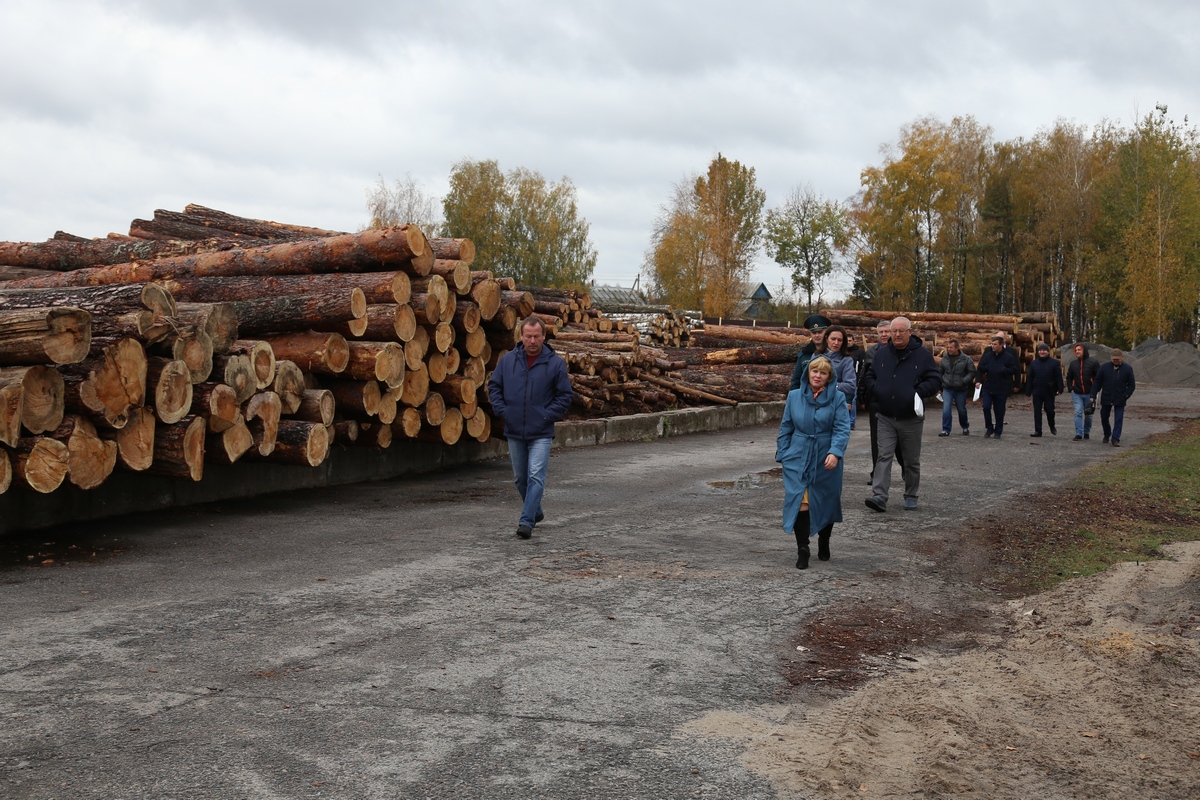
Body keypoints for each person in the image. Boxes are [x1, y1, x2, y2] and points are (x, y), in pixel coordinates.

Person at [487, 316, 575, 538]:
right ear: (521, 336)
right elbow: (494, 387)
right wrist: (503, 412)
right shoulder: (508, 361)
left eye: (537, 336)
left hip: (541, 431)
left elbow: (564, 396)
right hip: (515, 429)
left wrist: (547, 415)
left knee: (536, 476)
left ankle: (526, 522)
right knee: (520, 478)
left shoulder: (555, 364)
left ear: (544, 336)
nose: (532, 340)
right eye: (528, 336)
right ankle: (535, 510)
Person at [776, 356, 850, 569]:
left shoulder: (837, 397)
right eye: (814, 371)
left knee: (826, 499)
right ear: (808, 373)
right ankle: (802, 548)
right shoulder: (794, 396)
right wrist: (783, 453)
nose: (817, 376)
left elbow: (842, 428)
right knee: (800, 500)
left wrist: (835, 452)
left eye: (823, 373)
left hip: (826, 456)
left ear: (829, 377)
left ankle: (824, 540)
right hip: (797, 455)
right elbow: (786, 427)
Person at [863, 317, 941, 512]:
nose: (897, 334)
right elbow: (870, 375)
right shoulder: (881, 355)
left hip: (911, 418)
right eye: (894, 331)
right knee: (884, 456)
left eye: (901, 331)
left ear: (910, 332)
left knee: (911, 460)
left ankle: (911, 495)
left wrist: (918, 392)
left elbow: (935, 379)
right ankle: (879, 496)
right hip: (886, 415)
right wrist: (877, 389)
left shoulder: (922, 355)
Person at [863, 321, 903, 482]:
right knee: (876, 440)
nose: (884, 335)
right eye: (881, 332)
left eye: (887, 331)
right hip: (877, 402)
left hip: (899, 402)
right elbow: (866, 377)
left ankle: (906, 469)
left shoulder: (902, 351)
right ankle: (877, 473)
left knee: (900, 439)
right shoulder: (871, 353)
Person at [975, 334, 1019, 439]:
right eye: (992, 344)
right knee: (986, 407)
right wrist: (979, 379)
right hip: (989, 386)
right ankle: (989, 428)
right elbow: (981, 367)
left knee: (999, 410)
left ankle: (998, 430)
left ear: (1001, 345)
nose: (993, 346)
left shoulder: (1008, 357)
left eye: (995, 344)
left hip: (1002, 387)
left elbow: (1014, 369)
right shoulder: (988, 355)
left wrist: (1004, 370)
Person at [1090, 349, 1136, 447]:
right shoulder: (1104, 368)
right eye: (1114, 359)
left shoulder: (1127, 369)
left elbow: (1132, 385)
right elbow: (1097, 382)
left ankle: (1115, 439)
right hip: (1106, 397)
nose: (1115, 361)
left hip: (1120, 398)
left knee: (1118, 419)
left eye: (1117, 359)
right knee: (1104, 417)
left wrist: (1126, 395)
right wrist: (1093, 395)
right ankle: (1107, 433)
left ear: (1122, 358)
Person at [1025, 342, 1064, 437]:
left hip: (1049, 390)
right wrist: (1028, 391)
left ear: (1048, 352)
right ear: (1038, 352)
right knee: (1037, 411)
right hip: (1037, 390)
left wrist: (1060, 388)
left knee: (1049, 410)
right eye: (1040, 350)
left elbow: (1058, 376)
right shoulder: (1034, 363)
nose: (1042, 352)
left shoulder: (1054, 363)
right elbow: (1030, 378)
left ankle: (1052, 425)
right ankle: (1038, 431)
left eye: (1044, 350)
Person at [938, 338, 975, 436]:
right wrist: (939, 386)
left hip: (960, 389)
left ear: (957, 348)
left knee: (961, 409)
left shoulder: (966, 359)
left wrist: (963, 381)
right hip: (947, 388)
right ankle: (945, 429)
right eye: (948, 347)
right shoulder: (944, 359)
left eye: (951, 347)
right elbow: (940, 372)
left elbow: (971, 372)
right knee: (946, 409)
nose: (949, 349)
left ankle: (965, 426)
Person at [1065, 343, 1100, 440]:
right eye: (1075, 350)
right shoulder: (1073, 364)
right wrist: (1070, 388)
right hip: (1077, 393)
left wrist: (1096, 390)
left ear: (1084, 350)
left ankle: (1087, 432)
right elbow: (1069, 377)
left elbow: (1099, 378)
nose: (1077, 352)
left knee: (1089, 415)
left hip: (1090, 393)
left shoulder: (1093, 363)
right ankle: (1079, 433)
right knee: (1078, 412)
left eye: (1079, 350)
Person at [823, 325, 857, 422]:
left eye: (840, 340)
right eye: (833, 339)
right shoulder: (816, 356)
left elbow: (850, 386)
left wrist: (829, 385)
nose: (836, 343)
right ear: (826, 339)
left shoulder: (846, 360)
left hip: (836, 405)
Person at [789, 314, 832, 390]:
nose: (817, 335)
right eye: (814, 333)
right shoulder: (804, 354)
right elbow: (796, 380)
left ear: (825, 332)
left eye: (820, 332)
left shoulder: (832, 353)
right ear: (810, 334)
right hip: (807, 396)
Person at [846, 333, 866, 430]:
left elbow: (862, 367)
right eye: (847, 341)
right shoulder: (842, 352)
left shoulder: (859, 353)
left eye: (850, 340)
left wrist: (859, 379)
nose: (848, 343)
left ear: (853, 341)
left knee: (852, 401)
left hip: (854, 380)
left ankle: (851, 422)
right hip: (844, 380)